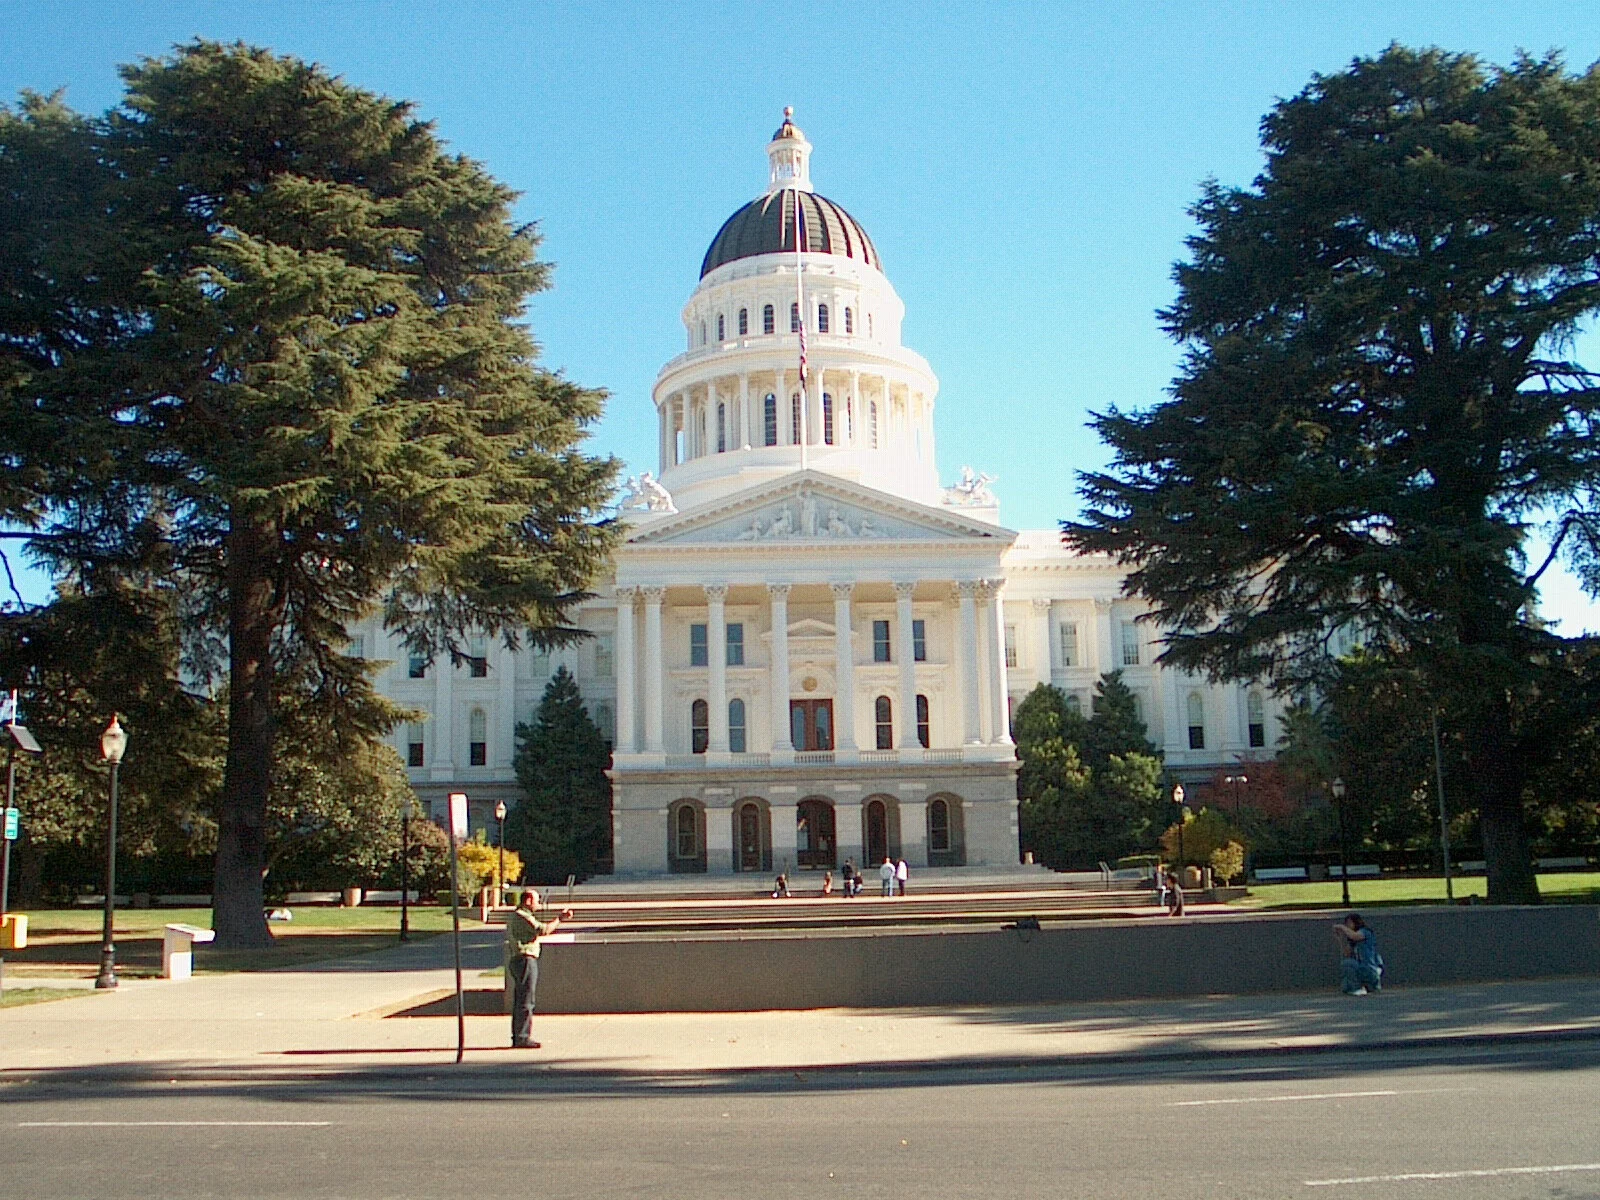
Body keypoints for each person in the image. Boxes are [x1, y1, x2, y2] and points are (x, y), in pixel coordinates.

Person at [504, 888, 572, 1049]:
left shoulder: (517, 916)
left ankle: (519, 1035)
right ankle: (522, 1037)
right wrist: (560, 918)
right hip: (525, 959)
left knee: (522, 998)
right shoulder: (522, 916)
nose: (539, 904)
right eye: (536, 900)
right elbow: (543, 930)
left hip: (520, 960)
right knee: (526, 999)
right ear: (528, 901)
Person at [1334, 912, 1383, 995]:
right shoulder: (1353, 941)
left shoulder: (1365, 932)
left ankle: (1360, 987)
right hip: (1361, 968)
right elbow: (1346, 954)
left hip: (1369, 967)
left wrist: (1342, 927)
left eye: (1349, 923)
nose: (1347, 926)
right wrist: (1340, 940)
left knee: (1348, 964)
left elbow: (1354, 936)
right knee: (1346, 982)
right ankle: (1358, 986)